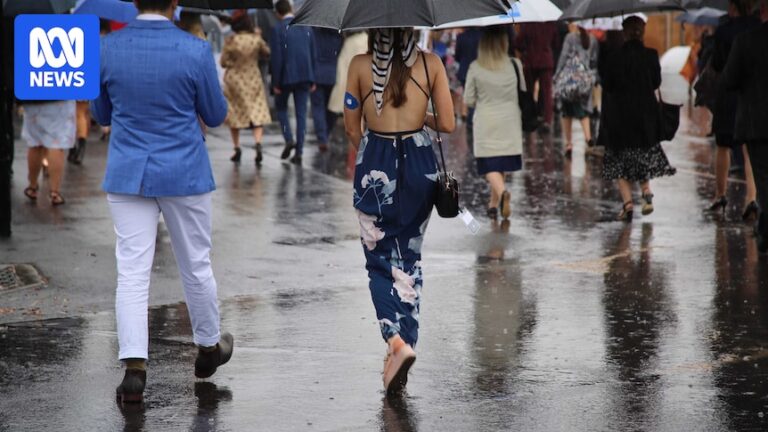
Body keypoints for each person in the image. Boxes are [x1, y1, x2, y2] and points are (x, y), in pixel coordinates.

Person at [91, 0, 233, 404]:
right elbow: (216, 113)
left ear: (134, 3)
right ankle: (208, 346)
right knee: (196, 262)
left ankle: (134, 368)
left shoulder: (107, 47)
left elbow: (102, 113)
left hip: (127, 170)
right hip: (184, 170)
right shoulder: (194, 49)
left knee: (132, 271)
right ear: (174, 4)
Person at [344, 28, 455, 394]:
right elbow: (450, 123)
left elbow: (351, 125)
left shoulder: (360, 65)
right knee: (409, 257)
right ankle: (406, 343)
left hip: (376, 161)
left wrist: (374, 152)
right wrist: (420, 119)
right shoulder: (431, 63)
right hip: (420, 163)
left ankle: (395, 341)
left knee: (378, 260)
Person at [599, 16, 676, 222]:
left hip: (620, 116)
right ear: (642, 31)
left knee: (619, 161)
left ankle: (628, 205)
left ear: (624, 32)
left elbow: (608, 85)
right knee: (642, 155)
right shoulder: (651, 55)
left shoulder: (614, 57)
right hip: (645, 116)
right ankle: (646, 191)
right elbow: (656, 82)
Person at [464, 26, 524, 221]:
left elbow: (469, 99)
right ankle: (493, 205)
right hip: (510, 122)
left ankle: (503, 194)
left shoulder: (475, 67)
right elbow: (522, 90)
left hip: (486, 122)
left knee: (488, 165)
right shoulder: (515, 64)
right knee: (501, 164)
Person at [706, 0, 760, 219]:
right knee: (748, 148)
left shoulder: (724, 31)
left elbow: (717, 64)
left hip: (728, 94)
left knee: (723, 145)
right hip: (751, 93)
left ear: (732, 7)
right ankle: (752, 198)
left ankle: (720, 194)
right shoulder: (757, 27)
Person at [723, 0, 768, 252]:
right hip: (756, 122)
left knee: (763, 177)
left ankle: (765, 231)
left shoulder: (745, 41)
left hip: (756, 121)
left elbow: (729, 80)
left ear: (762, 11)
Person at [220, 10, 271, 166]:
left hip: (235, 81)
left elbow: (223, 62)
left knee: (235, 113)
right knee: (256, 111)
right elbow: (267, 53)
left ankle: (236, 148)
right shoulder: (255, 39)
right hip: (253, 79)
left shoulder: (231, 41)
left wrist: (233, 64)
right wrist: (259, 36)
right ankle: (258, 143)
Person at [270, 0, 316, 165]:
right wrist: (313, 77)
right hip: (305, 75)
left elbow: (277, 58)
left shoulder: (277, 29)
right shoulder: (306, 26)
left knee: (281, 108)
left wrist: (275, 82)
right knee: (301, 114)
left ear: (278, 13)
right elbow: (312, 53)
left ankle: (289, 138)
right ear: (290, 9)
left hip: (285, 76)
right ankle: (299, 151)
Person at [555, 24, 599, 158]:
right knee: (583, 110)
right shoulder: (592, 39)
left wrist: (557, 75)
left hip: (569, 81)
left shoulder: (570, 37)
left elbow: (563, 57)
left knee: (566, 112)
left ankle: (569, 144)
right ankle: (588, 139)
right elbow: (593, 61)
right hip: (583, 82)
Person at [22, 101, 75, 206]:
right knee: (57, 143)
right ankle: (54, 191)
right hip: (60, 98)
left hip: (34, 95)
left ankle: (32, 186)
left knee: (35, 143)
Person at [514, 22, 560, 133]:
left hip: (531, 60)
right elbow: (556, 43)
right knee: (547, 92)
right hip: (546, 60)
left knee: (529, 91)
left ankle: (531, 116)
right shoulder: (551, 24)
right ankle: (547, 120)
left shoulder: (528, 24)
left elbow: (518, 43)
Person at [310, 28, 343, 150]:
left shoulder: (314, 32)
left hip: (317, 73)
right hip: (333, 73)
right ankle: (326, 133)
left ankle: (322, 137)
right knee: (332, 107)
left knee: (318, 107)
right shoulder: (338, 35)